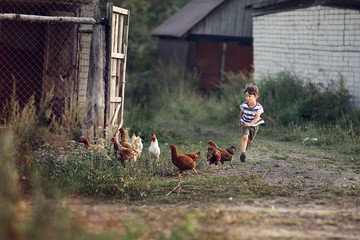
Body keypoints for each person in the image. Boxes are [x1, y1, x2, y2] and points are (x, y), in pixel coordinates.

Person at [239, 86, 265, 162]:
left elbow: (257, 118)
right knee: (244, 137)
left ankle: (246, 146)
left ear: (255, 96)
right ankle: (242, 154)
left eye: (250, 96)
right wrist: (240, 122)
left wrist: (250, 124)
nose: (247, 98)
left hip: (254, 124)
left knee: (249, 141)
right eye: (246, 96)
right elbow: (241, 112)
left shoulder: (259, 107)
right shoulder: (244, 105)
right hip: (245, 122)